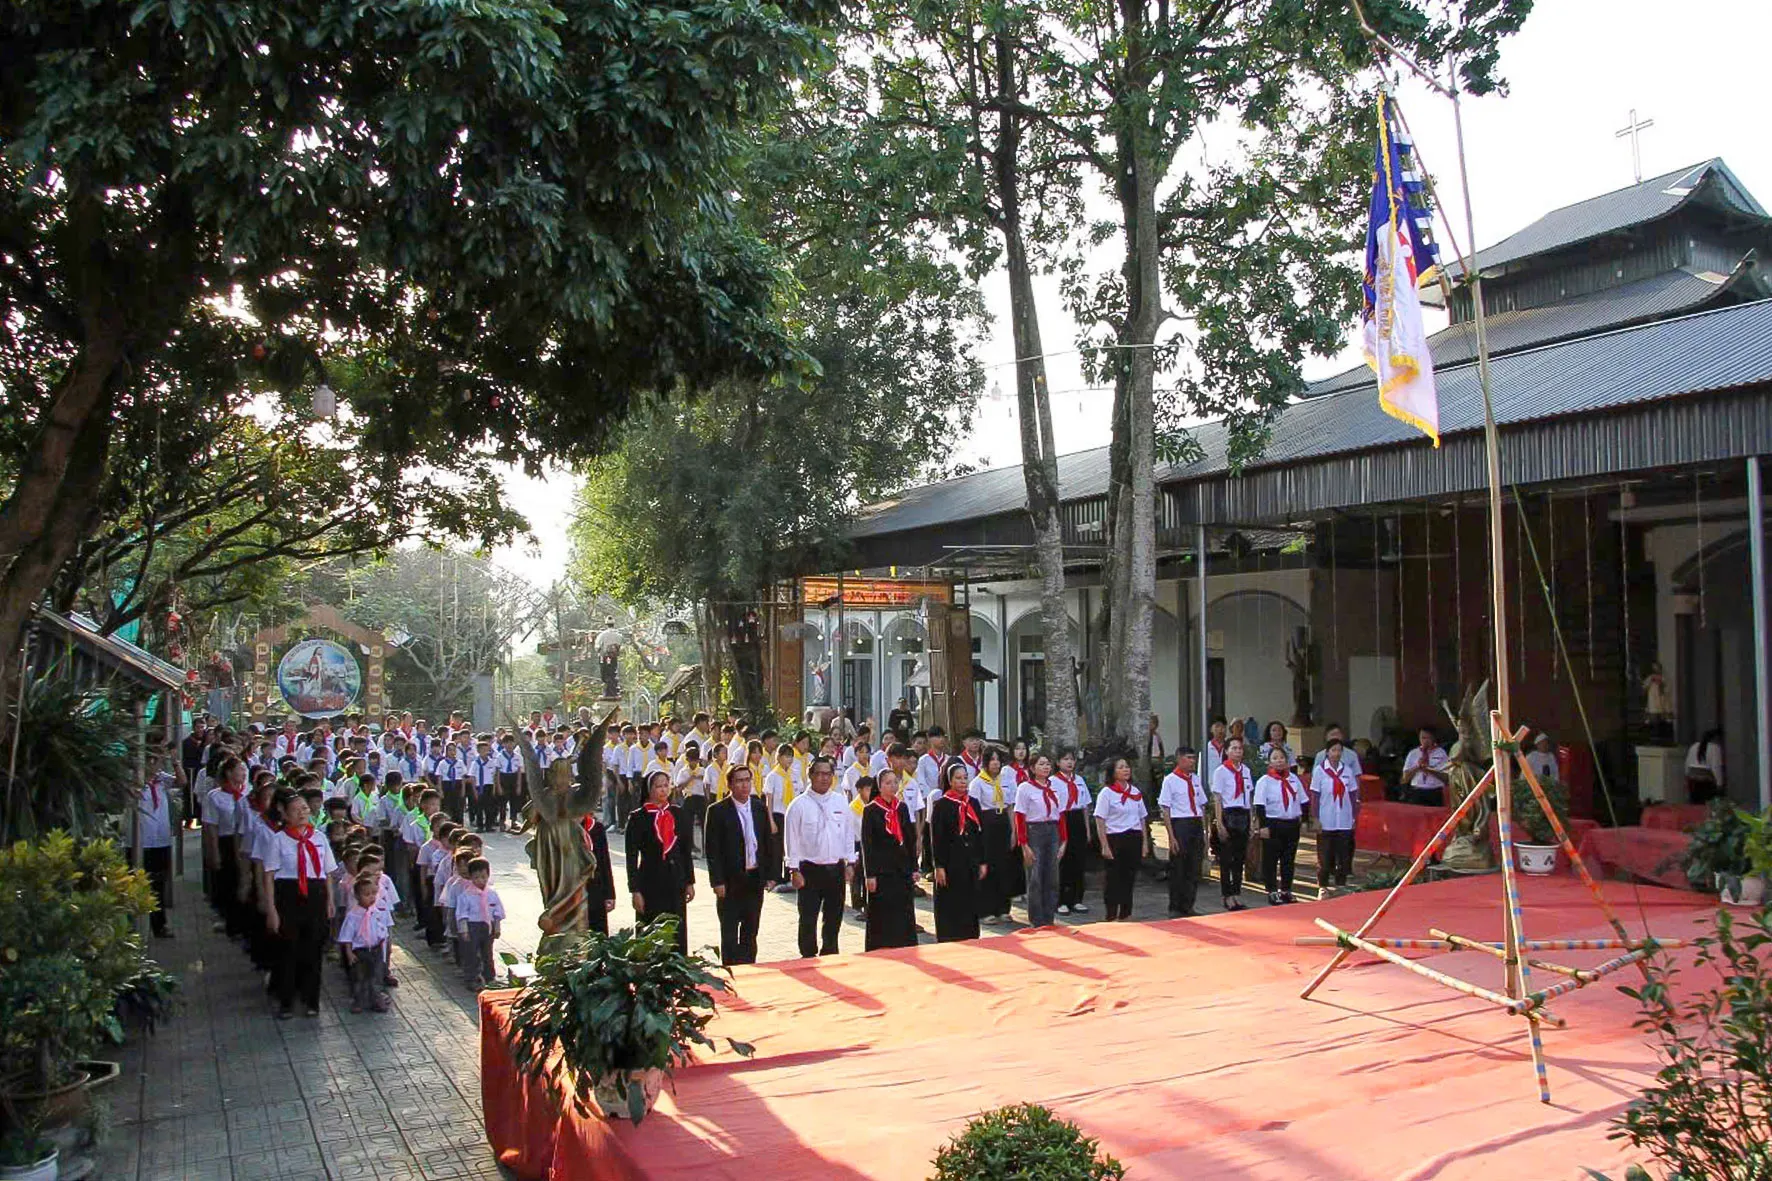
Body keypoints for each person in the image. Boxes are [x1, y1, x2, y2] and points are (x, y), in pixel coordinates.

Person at [264, 793, 337, 1019]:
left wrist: (330, 900)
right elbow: (269, 876)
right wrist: (271, 909)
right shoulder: (278, 840)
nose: (302, 813)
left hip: (315, 895)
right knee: (288, 948)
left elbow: (327, 872)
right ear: (285, 815)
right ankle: (286, 1000)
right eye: (296, 810)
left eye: (304, 808)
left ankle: (311, 999)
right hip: (288, 895)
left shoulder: (320, 838)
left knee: (313, 948)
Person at [783, 756, 853, 958]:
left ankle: (830, 952)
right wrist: (793, 869)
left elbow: (848, 834)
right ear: (810, 775)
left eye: (828, 774)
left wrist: (850, 863)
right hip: (809, 869)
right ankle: (807, 956)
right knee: (808, 917)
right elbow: (791, 840)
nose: (824, 778)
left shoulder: (840, 802)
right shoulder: (798, 805)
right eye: (819, 774)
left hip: (835, 868)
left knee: (834, 916)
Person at [704, 764, 773, 966]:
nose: (744, 785)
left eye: (747, 780)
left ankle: (749, 967)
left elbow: (767, 842)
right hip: (730, 881)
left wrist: (770, 874)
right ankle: (731, 969)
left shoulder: (759, 807)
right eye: (739, 781)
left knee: (751, 930)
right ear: (730, 784)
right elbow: (712, 850)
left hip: (754, 878)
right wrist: (717, 881)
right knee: (729, 932)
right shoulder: (717, 811)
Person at [626, 770, 695, 953]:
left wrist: (689, 882)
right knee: (650, 932)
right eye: (658, 786)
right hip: (650, 882)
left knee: (676, 931)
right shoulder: (638, 817)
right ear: (649, 789)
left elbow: (685, 851)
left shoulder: (678, 814)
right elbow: (631, 858)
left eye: (666, 785)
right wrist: (635, 890)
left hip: (675, 880)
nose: (663, 790)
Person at [861, 768, 918, 950]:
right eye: (888, 783)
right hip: (881, 870)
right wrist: (869, 874)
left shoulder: (901, 807)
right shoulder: (871, 810)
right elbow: (867, 845)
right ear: (879, 786)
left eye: (895, 782)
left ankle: (904, 943)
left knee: (903, 908)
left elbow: (909, 839)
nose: (893, 786)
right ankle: (880, 946)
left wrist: (914, 867)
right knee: (881, 910)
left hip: (901, 868)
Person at [929, 761, 985, 942]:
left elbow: (980, 834)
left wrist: (982, 861)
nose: (963, 782)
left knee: (970, 900)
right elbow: (937, 839)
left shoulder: (973, 803)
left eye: (965, 778)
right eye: (958, 778)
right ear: (950, 781)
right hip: (951, 862)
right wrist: (939, 866)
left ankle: (970, 934)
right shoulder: (942, 805)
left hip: (970, 860)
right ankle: (949, 936)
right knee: (950, 901)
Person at [1094, 757, 1148, 922]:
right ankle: (1111, 914)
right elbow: (1100, 819)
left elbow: (1142, 818)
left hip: (1133, 837)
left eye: (1127, 767)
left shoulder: (1135, 792)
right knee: (1113, 878)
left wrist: (1145, 843)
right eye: (1121, 767)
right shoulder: (1107, 793)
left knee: (1129, 877)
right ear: (1113, 772)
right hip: (1115, 837)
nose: (1126, 770)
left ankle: (1126, 912)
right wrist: (1104, 845)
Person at [968, 747, 1016, 925]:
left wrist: (1013, 831)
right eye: (992, 759)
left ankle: (1003, 908)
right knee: (988, 867)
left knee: (1004, 866)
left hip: (1003, 822)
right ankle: (986, 910)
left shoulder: (1006, 780)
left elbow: (1010, 807)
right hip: (986, 824)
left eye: (998, 760)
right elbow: (974, 810)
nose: (996, 763)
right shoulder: (978, 783)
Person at [1255, 747, 1308, 905]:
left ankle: (1286, 889)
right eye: (1275, 758)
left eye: (1281, 758)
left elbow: (1304, 801)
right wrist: (1263, 826)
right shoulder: (1264, 781)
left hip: (1291, 823)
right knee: (1271, 859)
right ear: (1270, 762)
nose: (1279, 761)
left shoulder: (1293, 779)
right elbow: (1260, 805)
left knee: (1288, 859)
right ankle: (1272, 890)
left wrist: (1305, 821)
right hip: (1273, 823)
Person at [137, 748, 180, 938]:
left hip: (160, 840)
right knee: (138, 882)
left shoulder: (162, 779)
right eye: (154, 761)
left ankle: (159, 924)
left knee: (158, 885)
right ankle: (136, 926)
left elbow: (182, 782)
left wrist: (176, 763)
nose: (158, 765)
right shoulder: (136, 782)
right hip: (141, 841)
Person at [1158, 747, 1206, 918]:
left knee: (1194, 867)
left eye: (1194, 758)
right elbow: (1166, 809)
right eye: (1188, 758)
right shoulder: (1170, 780)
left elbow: (1201, 805)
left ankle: (1188, 905)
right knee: (1178, 867)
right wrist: (1171, 836)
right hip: (1180, 823)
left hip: (1195, 822)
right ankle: (1175, 906)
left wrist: (1204, 831)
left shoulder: (1196, 779)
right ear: (1179, 759)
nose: (1192, 761)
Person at [1310, 736, 1359, 892]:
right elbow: (1315, 796)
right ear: (1327, 752)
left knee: (1343, 855)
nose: (1336, 753)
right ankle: (1323, 884)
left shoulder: (1347, 771)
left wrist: (1354, 816)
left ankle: (1341, 883)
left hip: (1344, 818)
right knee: (1325, 855)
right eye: (1333, 750)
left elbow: (1353, 795)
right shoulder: (1319, 771)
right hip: (1326, 818)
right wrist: (1315, 818)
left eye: (1339, 750)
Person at [1210, 736, 1254, 911]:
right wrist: (1220, 823)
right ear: (1227, 751)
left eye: (1240, 748)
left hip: (1243, 814)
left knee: (1239, 858)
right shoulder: (1221, 771)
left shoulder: (1246, 771)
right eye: (1234, 748)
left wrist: (1251, 821)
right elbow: (1218, 798)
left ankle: (1236, 892)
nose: (1237, 751)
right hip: (1228, 814)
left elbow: (1248, 798)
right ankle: (1226, 895)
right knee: (1226, 858)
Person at [339, 876, 392, 1013]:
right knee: (359, 976)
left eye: (374, 893)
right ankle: (358, 1001)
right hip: (360, 951)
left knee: (376, 976)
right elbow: (347, 936)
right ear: (357, 896)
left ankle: (376, 1000)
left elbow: (381, 929)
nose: (371, 897)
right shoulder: (353, 915)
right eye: (367, 894)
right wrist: (349, 953)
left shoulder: (376, 912)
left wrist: (382, 942)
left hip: (375, 949)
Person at [456, 857, 505, 991]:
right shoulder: (466, 895)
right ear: (470, 877)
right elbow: (462, 915)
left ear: (488, 875)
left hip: (487, 926)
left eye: (483, 877)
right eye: (476, 877)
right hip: (472, 926)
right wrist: (464, 930)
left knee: (487, 953)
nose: (480, 881)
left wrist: (497, 927)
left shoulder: (492, 894)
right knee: (471, 953)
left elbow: (497, 912)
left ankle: (489, 977)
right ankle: (472, 979)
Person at [1054, 748, 1092, 915]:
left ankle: (1077, 899)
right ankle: (1061, 900)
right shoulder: (1053, 781)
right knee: (1064, 862)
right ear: (1058, 763)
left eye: (1071, 759)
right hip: (1062, 818)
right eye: (1065, 759)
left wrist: (1087, 829)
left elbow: (1085, 807)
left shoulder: (1079, 780)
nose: (1069, 762)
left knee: (1079, 860)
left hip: (1078, 819)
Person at [1401, 728, 1450, 805]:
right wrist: (1417, 767)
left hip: (1435, 791)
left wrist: (1429, 769)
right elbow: (1405, 778)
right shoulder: (1413, 753)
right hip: (1417, 791)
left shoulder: (1441, 753)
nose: (1425, 741)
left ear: (1433, 738)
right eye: (1423, 738)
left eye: (1428, 738)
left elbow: (1446, 778)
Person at [1685, 728, 1726, 803]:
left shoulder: (1694, 746)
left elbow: (1687, 765)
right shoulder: (1715, 748)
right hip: (1707, 783)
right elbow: (1716, 767)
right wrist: (1719, 784)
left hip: (1693, 781)